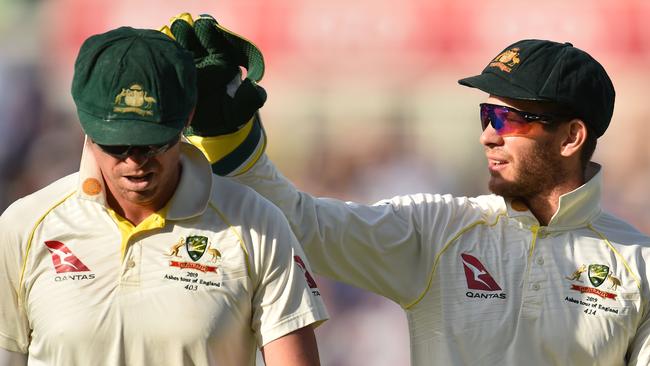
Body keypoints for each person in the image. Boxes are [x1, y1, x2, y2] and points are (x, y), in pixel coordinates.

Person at [174, 12, 650, 365]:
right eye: (486, 115)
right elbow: (300, 222)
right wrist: (227, 135)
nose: (488, 134)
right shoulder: (440, 227)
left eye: (509, 119)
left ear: (571, 137)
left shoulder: (639, 266)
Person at [0, 25, 328, 366]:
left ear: (186, 118)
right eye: (115, 142)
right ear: (86, 124)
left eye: (152, 142)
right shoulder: (24, 226)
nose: (134, 161)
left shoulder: (257, 225)